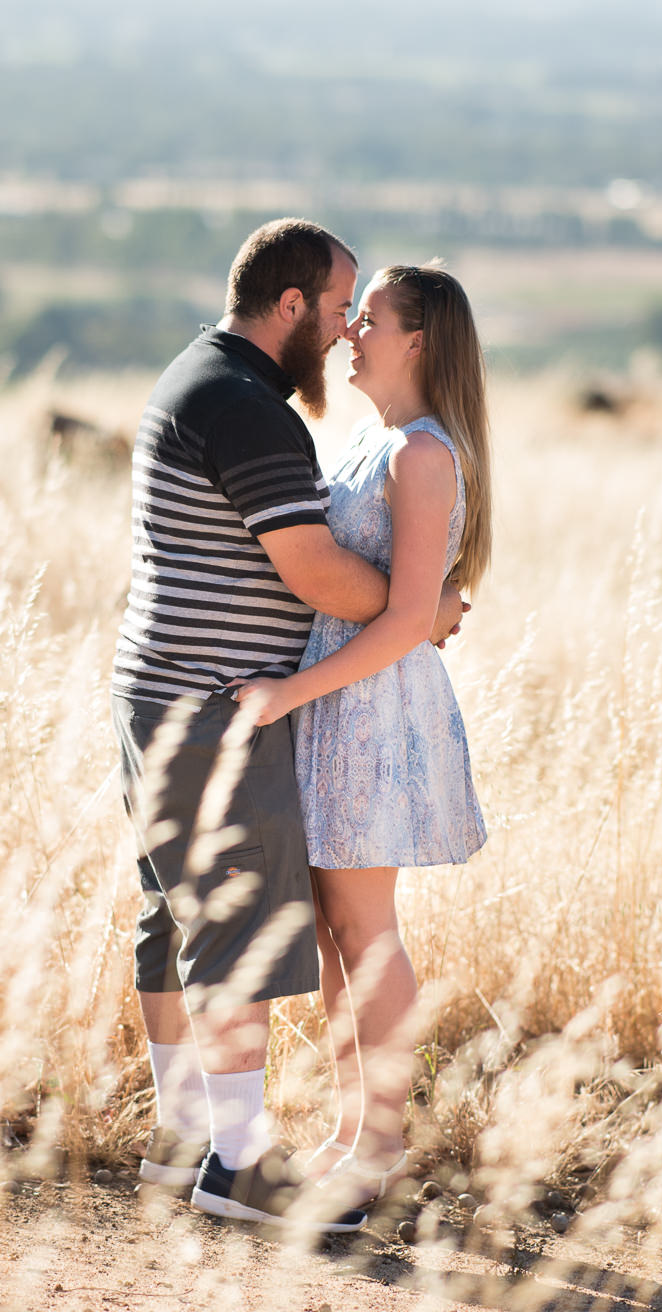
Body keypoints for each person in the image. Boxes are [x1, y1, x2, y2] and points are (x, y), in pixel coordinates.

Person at [112, 221, 465, 1232]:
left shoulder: (212, 382)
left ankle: (193, 1137)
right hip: (220, 699)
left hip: (187, 692)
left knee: (183, 914)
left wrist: (410, 610)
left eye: (370, 310)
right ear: (290, 306)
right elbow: (311, 572)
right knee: (236, 920)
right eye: (339, 302)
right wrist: (423, 612)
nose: (348, 324)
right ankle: (236, 1163)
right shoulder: (245, 407)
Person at [233, 263, 492, 1206]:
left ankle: (380, 1147)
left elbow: (402, 620)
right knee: (342, 932)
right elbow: (403, 602)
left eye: (369, 319)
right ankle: (352, 1132)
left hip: (370, 709)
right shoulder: (367, 441)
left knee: (367, 931)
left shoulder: (421, 455)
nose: (350, 332)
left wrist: (287, 693)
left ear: (416, 339)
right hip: (342, 701)